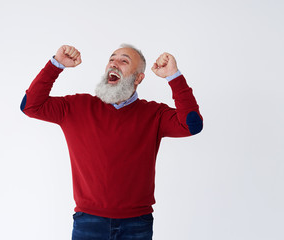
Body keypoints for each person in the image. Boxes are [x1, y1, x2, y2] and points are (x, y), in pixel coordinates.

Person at [20, 44, 203, 240]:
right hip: (88, 222)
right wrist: (56, 65)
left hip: (136, 223)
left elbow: (192, 124)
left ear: (139, 78)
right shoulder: (76, 107)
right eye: (111, 59)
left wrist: (173, 76)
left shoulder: (154, 114)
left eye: (124, 61)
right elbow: (30, 106)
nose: (114, 64)